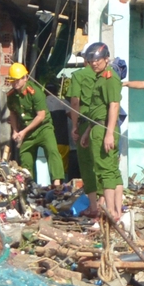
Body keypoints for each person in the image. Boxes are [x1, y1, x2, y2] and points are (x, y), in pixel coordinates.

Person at [59, 40, 125, 227]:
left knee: (103, 170)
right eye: (91, 59)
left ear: (106, 59)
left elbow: (113, 105)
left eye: (97, 59)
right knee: (110, 169)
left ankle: (111, 211)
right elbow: (97, 110)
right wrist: (88, 131)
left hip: (103, 128)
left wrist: (109, 133)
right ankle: (115, 210)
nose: (94, 63)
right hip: (95, 126)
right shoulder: (99, 77)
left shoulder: (109, 78)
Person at [3, 63, 61, 181]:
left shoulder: (35, 92)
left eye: (18, 80)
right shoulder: (11, 96)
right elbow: (13, 113)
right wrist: (15, 131)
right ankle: (29, 186)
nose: (15, 83)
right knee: (25, 158)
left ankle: (57, 182)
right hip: (26, 131)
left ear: (25, 78)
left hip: (43, 127)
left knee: (52, 151)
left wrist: (23, 132)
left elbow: (41, 116)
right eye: (12, 80)